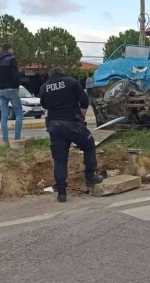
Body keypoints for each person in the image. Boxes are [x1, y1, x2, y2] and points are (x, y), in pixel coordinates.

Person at [39, 67, 103, 203]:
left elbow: (44, 105)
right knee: (89, 145)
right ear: (63, 73)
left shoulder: (44, 87)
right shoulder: (71, 82)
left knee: (60, 160)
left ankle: (61, 193)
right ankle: (90, 177)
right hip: (72, 124)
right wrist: (83, 113)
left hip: (55, 127)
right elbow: (85, 99)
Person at [0, 44, 22, 146]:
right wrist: (16, 86)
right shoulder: (11, 59)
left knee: (4, 115)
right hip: (12, 89)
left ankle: (5, 140)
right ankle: (17, 138)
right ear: (9, 49)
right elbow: (15, 75)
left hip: (1, 90)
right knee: (19, 114)